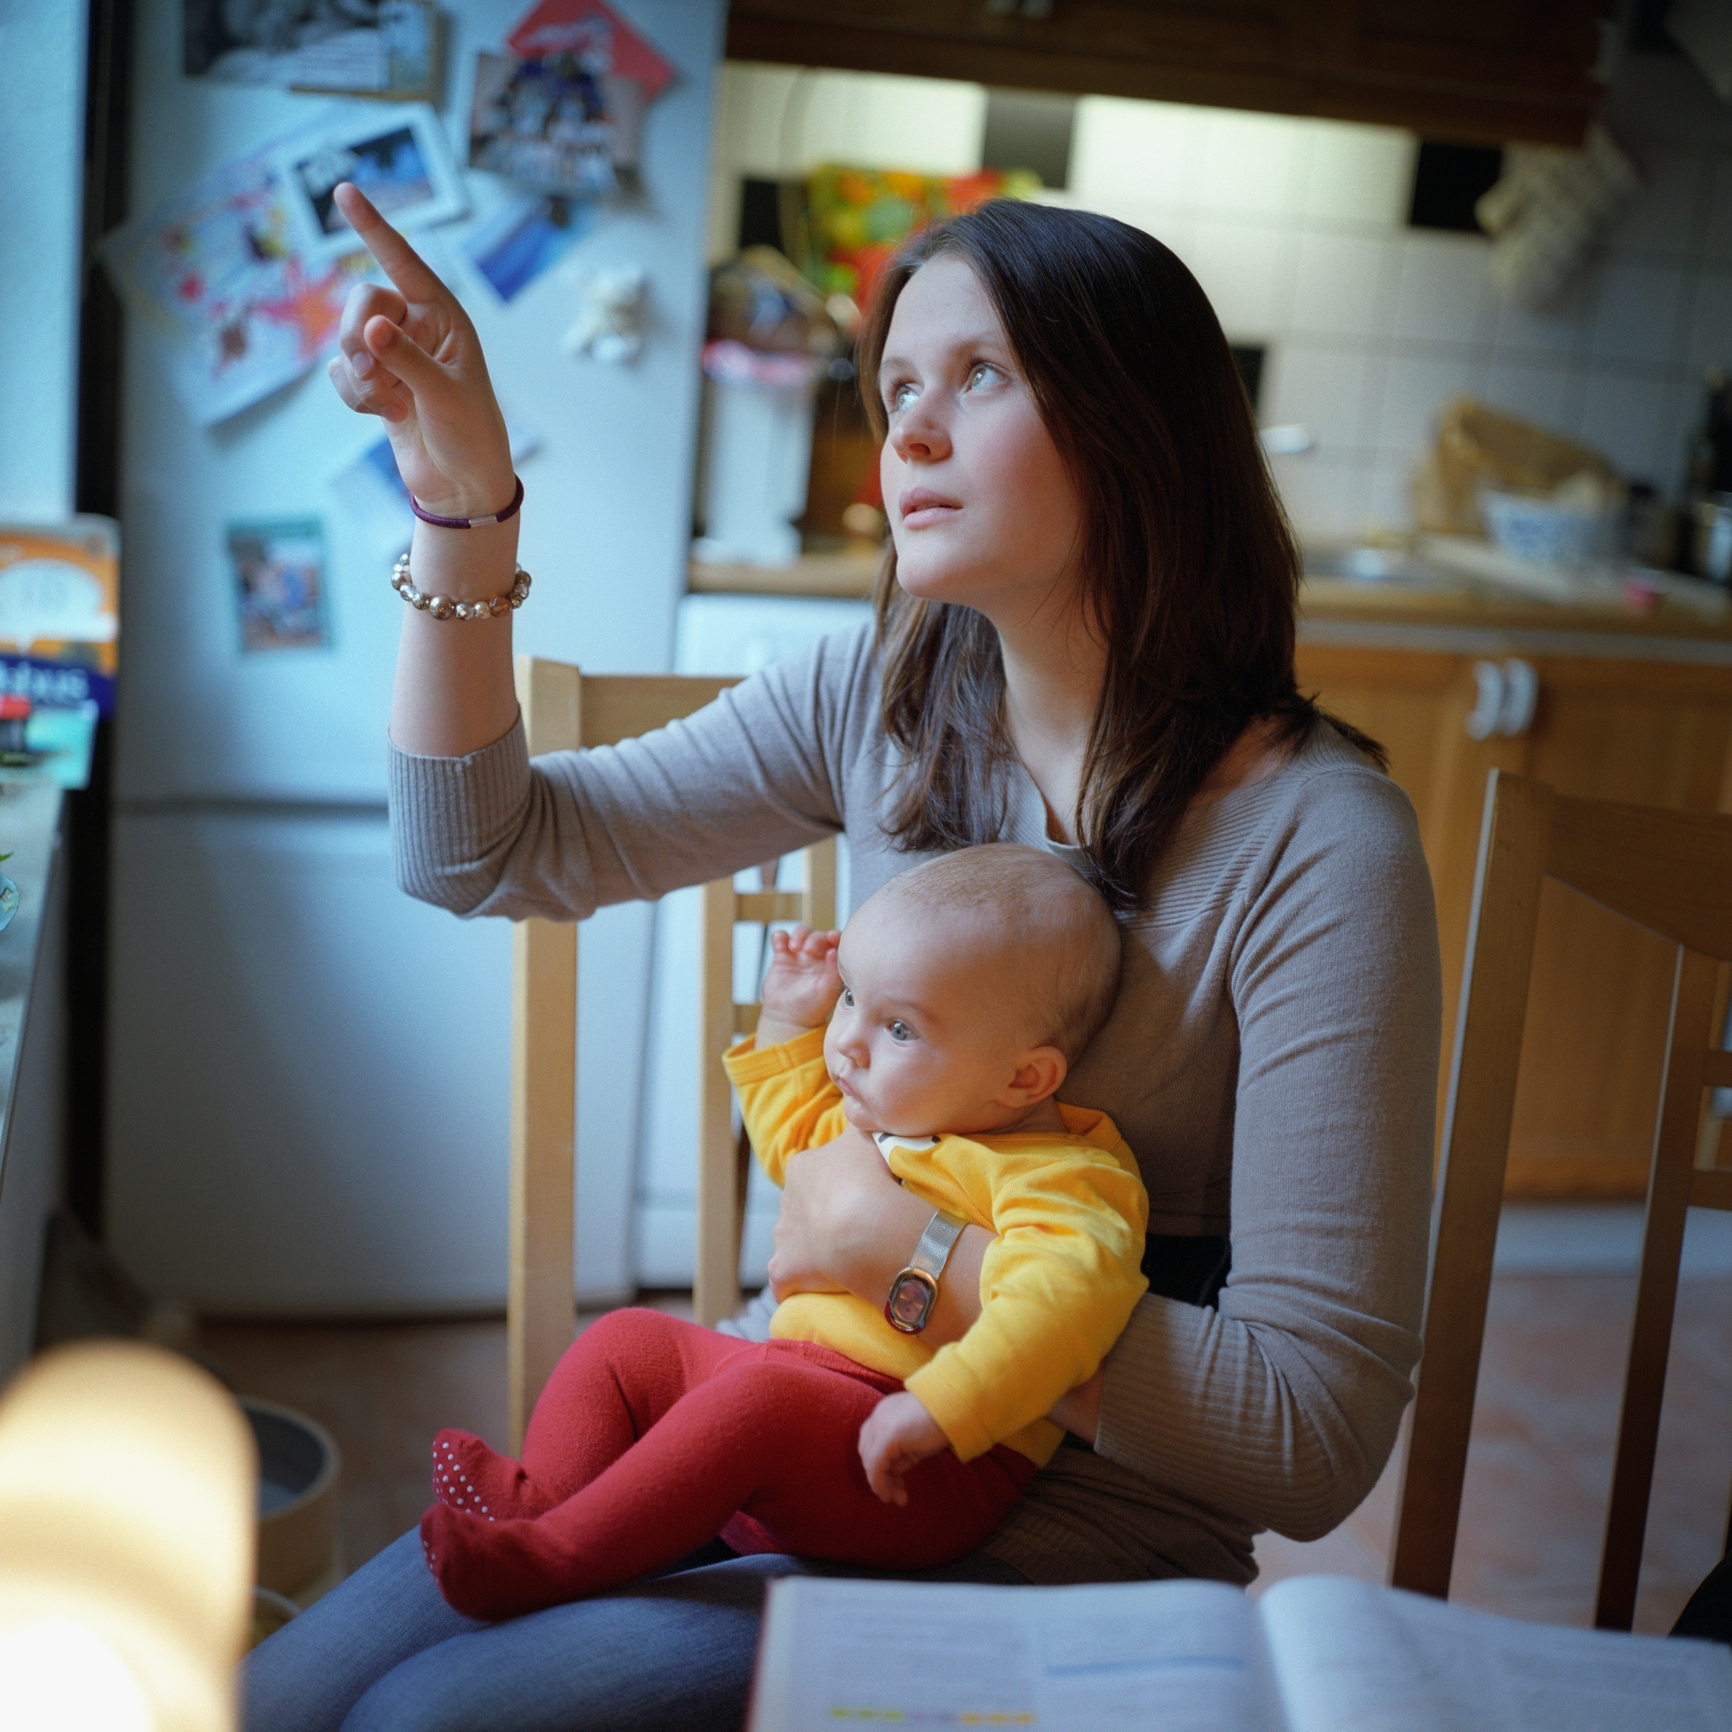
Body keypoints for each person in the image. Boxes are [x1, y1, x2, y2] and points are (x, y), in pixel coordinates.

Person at [243, 179, 1441, 1732]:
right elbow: (477, 849)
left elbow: (1312, 1433)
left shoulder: (1323, 851)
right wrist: (466, 505)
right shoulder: (883, 696)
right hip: (775, 1423)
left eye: (980, 377)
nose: (912, 435)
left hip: (1066, 1549)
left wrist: (911, 1259)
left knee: (433, 1720)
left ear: (1140, 425)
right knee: (276, 1701)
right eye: (895, 391)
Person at [420, 844, 1149, 1620]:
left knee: (761, 1400)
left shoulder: (1066, 1179)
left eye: (898, 1027)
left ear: (1024, 1078)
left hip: (924, 1464)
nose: (847, 1044)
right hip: (796, 1392)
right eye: (849, 1000)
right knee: (628, 1342)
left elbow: (1057, 1313)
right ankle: (539, 1499)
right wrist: (783, 1019)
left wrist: (943, 1405)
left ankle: (551, 1560)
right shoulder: (900, 1110)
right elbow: (794, 1144)